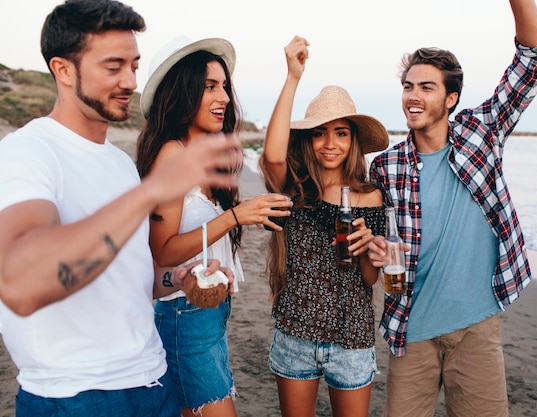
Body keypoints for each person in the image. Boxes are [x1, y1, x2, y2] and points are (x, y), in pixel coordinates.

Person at [0, 1, 241, 416]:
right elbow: (21, 285)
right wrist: (150, 194)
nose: (130, 80)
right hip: (76, 396)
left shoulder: (119, 165)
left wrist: (181, 279)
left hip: (153, 382)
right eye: (113, 67)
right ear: (63, 70)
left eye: (134, 65)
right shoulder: (27, 153)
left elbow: (133, 280)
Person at [366, 1, 537, 416]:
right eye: (408, 86)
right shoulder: (386, 166)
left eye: (426, 87)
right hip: (410, 329)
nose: (413, 96)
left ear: (450, 98)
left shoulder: (480, 134)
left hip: (476, 325)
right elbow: (380, 242)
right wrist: (377, 250)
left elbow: (534, 59)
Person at [135, 35, 291, 417]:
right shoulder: (172, 154)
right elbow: (162, 251)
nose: (223, 96)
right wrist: (235, 216)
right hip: (183, 316)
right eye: (209, 86)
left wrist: (242, 219)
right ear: (181, 90)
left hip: (209, 313)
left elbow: (205, 231)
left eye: (224, 86)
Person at [259, 36, 389, 417]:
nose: (329, 144)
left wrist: (374, 254)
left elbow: (367, 278)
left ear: (353, 141)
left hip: (352, 339)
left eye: (341, 133)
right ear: (308, 138)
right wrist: (292, 77)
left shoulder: (370, 196)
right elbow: (271, 154)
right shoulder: (295, 187)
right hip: (295, 331)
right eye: (319, 132)